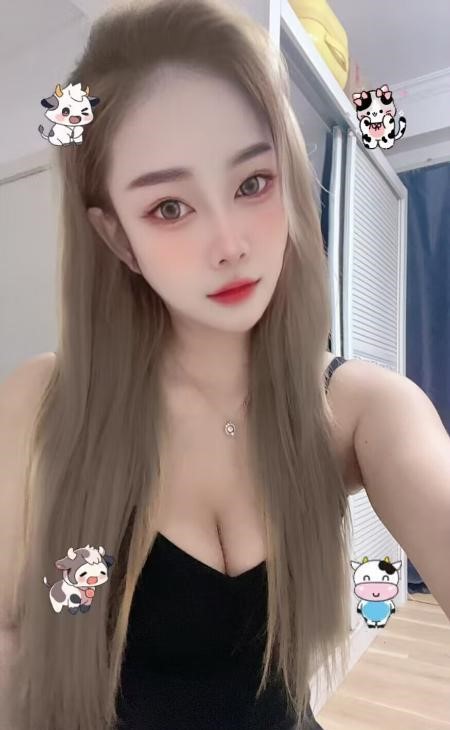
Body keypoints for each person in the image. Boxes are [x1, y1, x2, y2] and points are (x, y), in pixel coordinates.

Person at [4, 1, 357, 728]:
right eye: (169, 207)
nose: (229, 244)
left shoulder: (351, 405)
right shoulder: (43, 402)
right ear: (117, 238)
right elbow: (10, 635)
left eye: (252, 183)